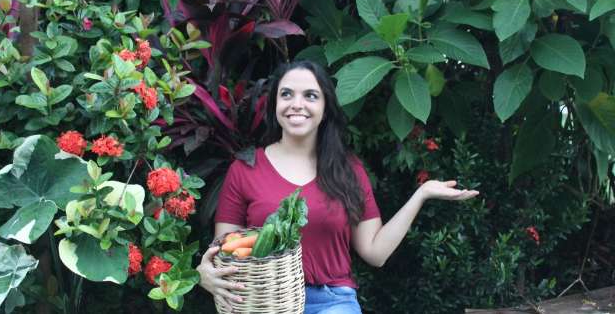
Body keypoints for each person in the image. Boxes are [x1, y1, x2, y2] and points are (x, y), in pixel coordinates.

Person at [197, 60, 479, 313]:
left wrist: (422, 193)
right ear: (274, 106)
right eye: (286, 94)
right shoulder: (245, 170)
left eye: (310, 96)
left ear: (325, 109)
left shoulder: (349, 170)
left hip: (332, 301)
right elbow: (226, 250)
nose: (297, 104)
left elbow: (375, 253)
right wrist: (206, 274)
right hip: (263, 301)